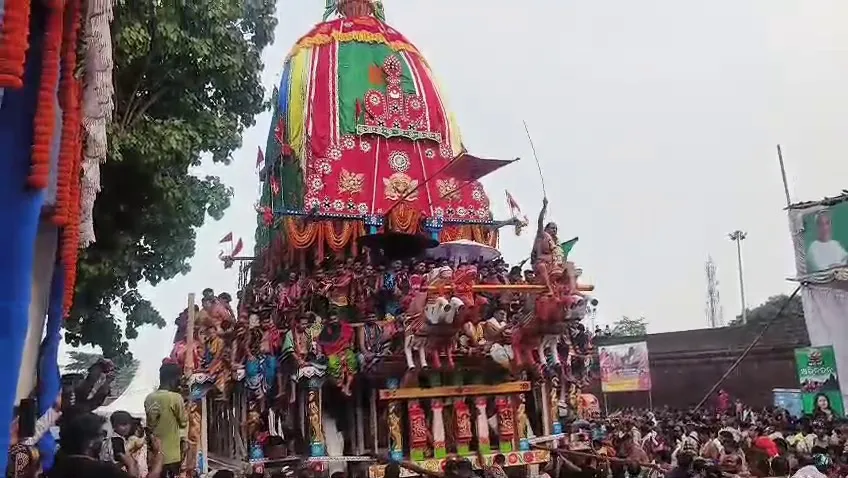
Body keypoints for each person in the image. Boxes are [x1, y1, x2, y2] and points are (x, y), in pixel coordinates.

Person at [48, 412, 164, 478]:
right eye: (101, 434)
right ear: (90, 442)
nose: (103, 439)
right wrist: (158, 454)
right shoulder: (103, 471)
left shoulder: (57, 468)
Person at [145, 362, 187, 478]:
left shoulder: (149, 398)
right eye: (179, 379)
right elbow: (183, 422)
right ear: (174, 379)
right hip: (172, 455)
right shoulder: (175, 398)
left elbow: (150, 425)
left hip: (154, 454)